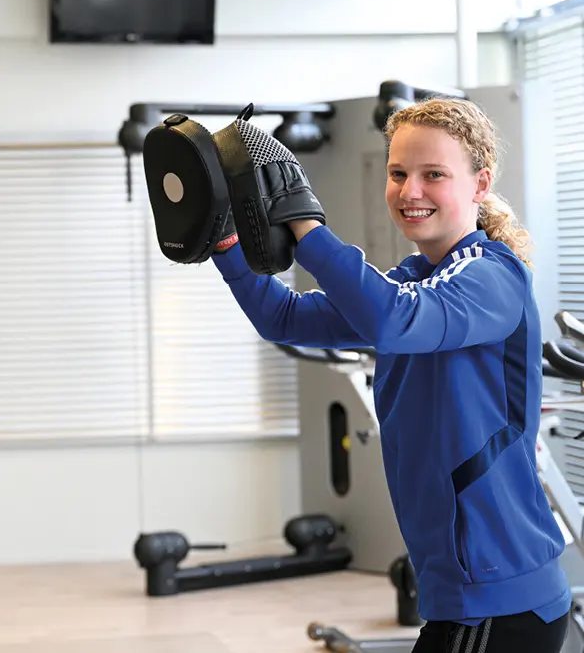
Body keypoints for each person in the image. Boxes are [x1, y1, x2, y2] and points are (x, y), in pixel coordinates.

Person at [209, 97, 571, 652]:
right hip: (466, 593)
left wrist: (305, 222)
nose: (410, 191)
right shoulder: (414, 280)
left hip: (499, 600)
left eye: (434, 175)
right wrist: (224, 240)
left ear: (480, 184)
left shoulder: (493, 276)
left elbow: (393, 319)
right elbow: (281, 316)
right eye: (399, 173)